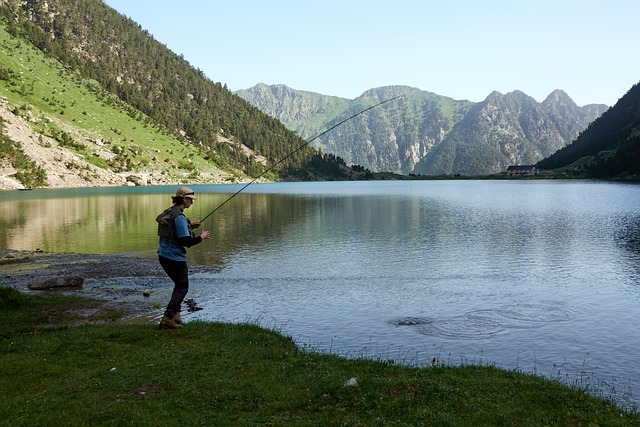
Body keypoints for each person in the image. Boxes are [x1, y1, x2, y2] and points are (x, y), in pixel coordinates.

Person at [156, 186, 210, 329]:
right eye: (190, 200)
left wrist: (190, 226)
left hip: (163, 255)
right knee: (182, 287)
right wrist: (201, 237)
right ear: (184, 199)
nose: (192, 203)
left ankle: (175, 316)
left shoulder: (170, 212)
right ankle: (168, 318)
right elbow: (185, 241)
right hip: (174, 258)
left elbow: (174, 232)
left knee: (179, 286)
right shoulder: (179, 217)